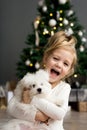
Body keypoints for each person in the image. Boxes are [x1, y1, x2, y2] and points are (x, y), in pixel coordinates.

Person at [2, 30, 77, 130]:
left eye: (65, 64)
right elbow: (11, 108)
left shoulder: (64, 88)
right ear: (46, 58)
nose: (59, 65)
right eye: (55, 58)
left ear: (68, 71)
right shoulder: (31, 80)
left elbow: (59, 114)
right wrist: (37, 116)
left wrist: (33, 99)